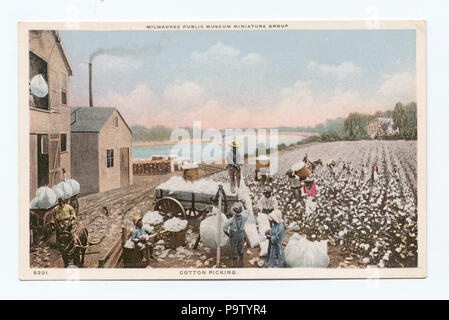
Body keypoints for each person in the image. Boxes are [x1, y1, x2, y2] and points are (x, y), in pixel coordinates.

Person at [223, 201, 250, 267]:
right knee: (240, 247)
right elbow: (248, 211)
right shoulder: (244, 217)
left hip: (233, 234)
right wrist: (244, 204)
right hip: (241, 234)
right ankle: (241, 262)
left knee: (233, 247)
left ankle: (235, 260)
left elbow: (224, 227)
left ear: (233, 212)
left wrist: (227, 234)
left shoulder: (231, 219)